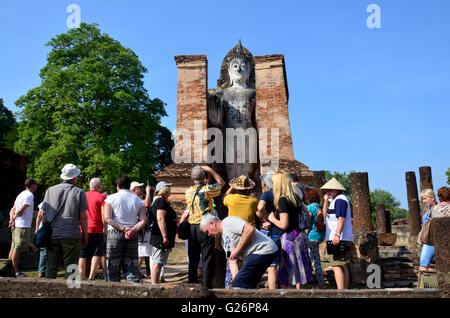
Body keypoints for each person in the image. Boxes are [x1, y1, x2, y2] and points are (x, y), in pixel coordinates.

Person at [41, 164, 88, 279]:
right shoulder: (79, 192)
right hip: (71, 233)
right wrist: (85, 235)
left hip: (52, 234)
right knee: (71, 267)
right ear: (74, 177)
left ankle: (48, 292)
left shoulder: (50, 191)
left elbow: (43, 214)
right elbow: (83, 217)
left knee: (51, 267)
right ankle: (72, 292)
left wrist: (44, 230)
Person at [268, 171, 313, 289]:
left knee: (288, 273)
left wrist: (272, 219)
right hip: (299, 236)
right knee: (298, 273)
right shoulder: (295, 197)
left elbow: (284, 224)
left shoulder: (282, 200)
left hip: (289, 239)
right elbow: (307, 214)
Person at [185, 165, 225, 289]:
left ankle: (192, 284)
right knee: (207, 259)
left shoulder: (188, 191)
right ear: (204, 177)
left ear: (192, 178)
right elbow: (221, 183)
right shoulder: (207, 190)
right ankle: (207, 286)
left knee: (193, 260)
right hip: (204, 227)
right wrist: (211, 171)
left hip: (192, 228)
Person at [103, 174, 147, 283]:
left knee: (113, 265)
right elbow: (143, 220)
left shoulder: (110, 198)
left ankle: (112, 290)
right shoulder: (138, 200)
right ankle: (133, 290)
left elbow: (107, 218)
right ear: (129, 186)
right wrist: (132, 230)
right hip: (132, 233)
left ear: (118, 186)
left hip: (114, 232)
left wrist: (123, 229)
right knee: (131, 263)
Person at [223, 175, 258, 288]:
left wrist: (231, 187)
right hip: (249, 234)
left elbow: (225, 196)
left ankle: (234, 284)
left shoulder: (230, 199)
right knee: (248, 260)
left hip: (232, 233)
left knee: (232, 259)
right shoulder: (253, 201)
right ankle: (247, 283)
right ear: (248, 188)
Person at [321, 177, 353, 290]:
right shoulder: (335, 200)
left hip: (338, 237)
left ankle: (341, 292)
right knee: (342, 265)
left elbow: (341, 218)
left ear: (336, 190)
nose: (328, 192)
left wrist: (337, 234)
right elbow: (325, 215)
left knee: (336, 265)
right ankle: (344, 290)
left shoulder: (340, 199)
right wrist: (325, 201)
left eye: (330, 190)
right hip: (337, 236)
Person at [256, 170, 281, 289]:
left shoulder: (267, 194)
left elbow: (260, 208)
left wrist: (266, 218)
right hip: (287, 232)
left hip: (273, 232)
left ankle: (273, 293)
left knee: (272, 266)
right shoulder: (284, 194)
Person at [8, 178, 38, 277]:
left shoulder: (20, 194)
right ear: (32, 185)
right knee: (18, 247)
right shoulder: (29, 195)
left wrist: (11, 219)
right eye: (35, 185)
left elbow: (13, 208)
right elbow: (21, 209)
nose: (36, 187)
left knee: (13, 247)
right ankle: (15, 271)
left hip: (16, 224)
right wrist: (15, 217)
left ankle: (10, 270)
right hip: (22, 224)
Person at [78, 178, 106, 280]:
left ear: (90, 186)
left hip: (83, 228)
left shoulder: (83, 195)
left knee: (82, 254)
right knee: (96, 253)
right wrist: (105, 228)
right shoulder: (102, 197)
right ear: (99, 186)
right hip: (97, 229)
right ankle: (91, 276)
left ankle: (82, 276)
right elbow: (103, 215)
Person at [150, 182, 177, 284]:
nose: (170, 189)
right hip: (160, 238)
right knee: (157, 263)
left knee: (159, 263)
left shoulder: (162, 201)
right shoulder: (160, 201)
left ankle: (155, 284)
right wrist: (165, 236)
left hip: (161, 237)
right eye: (168, 187)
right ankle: (154, 286)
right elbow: (160, 219)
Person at [130, 181, 153, 278]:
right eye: (139, 187)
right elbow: (147, 204)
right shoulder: (135, 199)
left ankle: (136, 272)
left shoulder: (135, 199)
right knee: (141, 253)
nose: (142, 189)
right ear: (134, 190)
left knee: (141, 253)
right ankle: (135, 272)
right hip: (139, 230)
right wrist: (148, 192)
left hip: (138, 229)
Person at [305, 188, 326, 289]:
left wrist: (305, 233)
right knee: (312, 258)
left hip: (312, 235)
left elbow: (308, 222)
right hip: (320, 235)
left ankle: (321, 284)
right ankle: (312, 280)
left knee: (315, 260)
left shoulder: (309, 207)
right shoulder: (320, 206)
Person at [418, 189, 436, 272]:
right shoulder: (429, 209)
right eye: (422, 199)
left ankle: (423, 284)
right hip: (429, 240)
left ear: (432, 198)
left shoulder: (435, 209)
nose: (424, 201)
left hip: (431, 241)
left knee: (423, 265)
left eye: (425, 198)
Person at [35, 202, 46, 278]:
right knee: (45, 251)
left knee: (43, 251)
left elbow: (39, 215)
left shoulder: (44, 202)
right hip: (48, 228)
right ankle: (42, 271)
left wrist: (37, 228)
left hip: (43, 229)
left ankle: (41, 271)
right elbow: (41, 214)